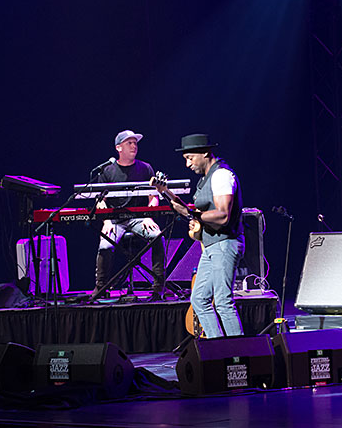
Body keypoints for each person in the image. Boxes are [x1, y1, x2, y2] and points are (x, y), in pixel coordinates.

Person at [154, 133, 244, 338]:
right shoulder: (206, 179)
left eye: (190, 158)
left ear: (205, 153)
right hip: (212, 246)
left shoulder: (221, 175)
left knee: (223, 301)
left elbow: (222, 216)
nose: (188, 164)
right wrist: (165, 192)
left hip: (225, 243)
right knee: (199, 299)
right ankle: (218, 348)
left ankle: (240, 351)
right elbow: (189, 211)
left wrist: (196, 215)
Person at [93, 130, 167, 301]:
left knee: (157, 236)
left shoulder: (146, 168)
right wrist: (106, 220)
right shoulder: (106, 170)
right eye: (129, 143)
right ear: (119, 148)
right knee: (105, 245)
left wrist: (149, 215)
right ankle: (100, 286)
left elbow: (153, 196)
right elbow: (100, 200)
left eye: (135, 143)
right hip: (114, 219)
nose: (134, 146)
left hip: (139, 217)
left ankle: (158, 286)